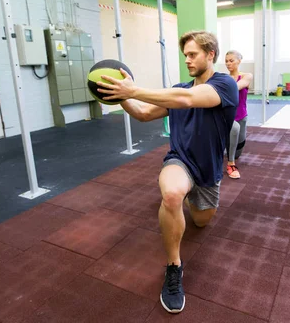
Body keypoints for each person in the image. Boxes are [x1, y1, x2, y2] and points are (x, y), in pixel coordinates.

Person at [97, 30, 238, 314]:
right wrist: (118, 95)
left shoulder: (224, 85)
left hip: (209, 170)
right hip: (180, 161)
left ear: (210, 54)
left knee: (200, 222)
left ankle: (188, 198)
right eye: (185, 55)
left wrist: (133, 89)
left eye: (193, 54)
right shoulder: (178, 89)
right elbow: (143, 113)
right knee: (172, 194)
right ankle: (174, 266)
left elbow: (187, 99)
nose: (187, 59)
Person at [224, 50, 253, 179]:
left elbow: (237, 87)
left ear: (239, 61)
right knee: (233, 130)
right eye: (226, 61)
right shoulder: (223, 78)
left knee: (237, 151)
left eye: (231, 61)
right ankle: (231, 164)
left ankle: (231, 154)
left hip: (242, 116)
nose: (228, 63)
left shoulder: (247, 76)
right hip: (227, 116)